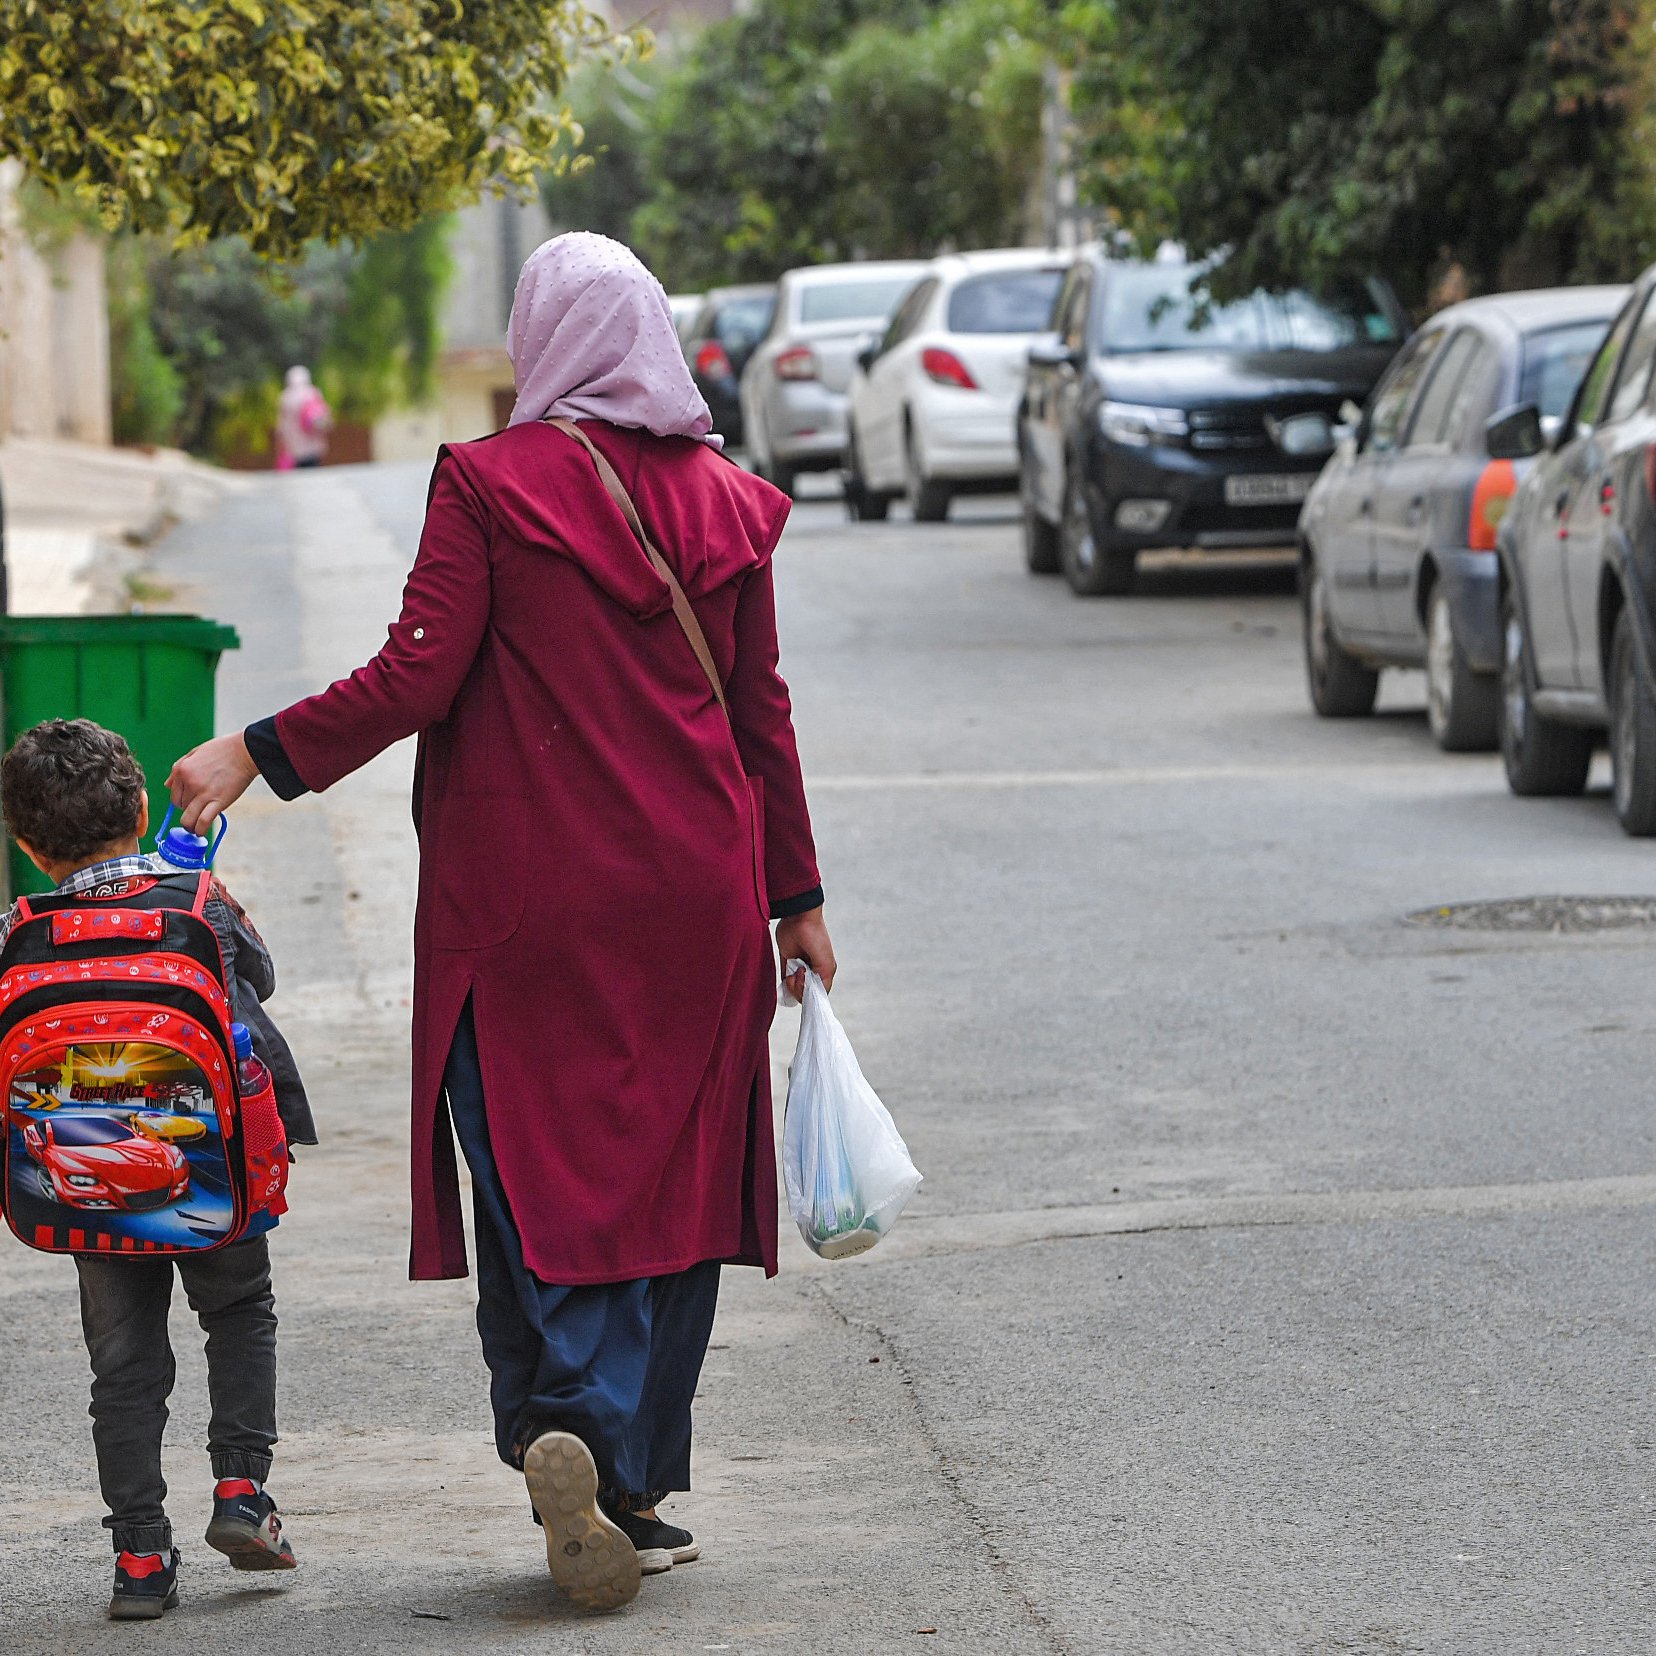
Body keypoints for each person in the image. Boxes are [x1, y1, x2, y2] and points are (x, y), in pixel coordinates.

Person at [167, 231, 837, 1614]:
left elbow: (420, 673)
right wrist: (799, 899)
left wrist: (257, 753)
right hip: (700, 894)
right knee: (673, 1174)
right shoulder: (731, 502)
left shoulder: (488, 483)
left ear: (542, 342)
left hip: (528, 901)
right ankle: (627, 1482)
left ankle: (574, 1430)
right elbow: (760, 713)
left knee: (538, 1160)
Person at [0, 719, 316, 1621]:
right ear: (140, 810)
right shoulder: (197, 903)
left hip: (83, 1187)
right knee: (239, 1314)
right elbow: (259, 974)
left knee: (123, 1369)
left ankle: (139, 1555)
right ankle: (241, 1495)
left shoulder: (18, 934)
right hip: (214, 1172)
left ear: (25, 844)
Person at [273, 365, 332, 470]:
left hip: (293, 444)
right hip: (312, 441)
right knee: (312, 469)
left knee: (298, 472)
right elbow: (323, 414)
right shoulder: (312, 392)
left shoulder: (285, 397)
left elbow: (281, 424)